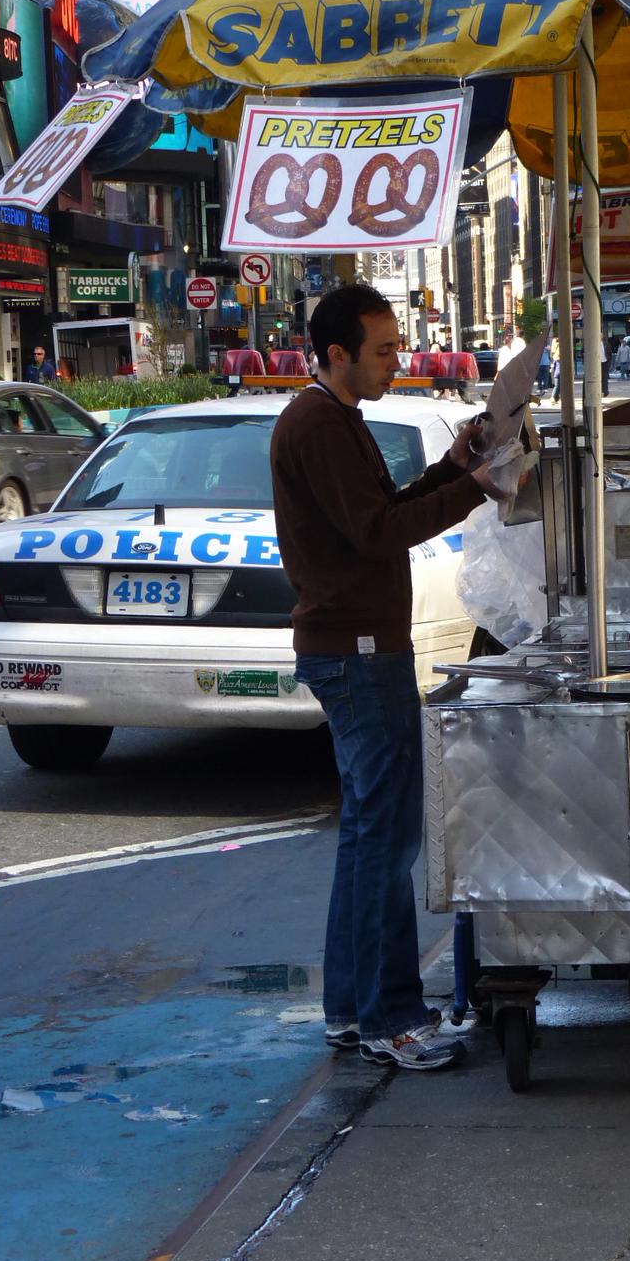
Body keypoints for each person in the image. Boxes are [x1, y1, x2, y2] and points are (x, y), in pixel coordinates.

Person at [270, 284, 503, 1070]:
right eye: (381, 349)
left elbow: (384, 509)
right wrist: (479, 487)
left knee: (369, 833)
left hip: (361, 645)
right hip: (357, 651)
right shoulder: (316, 424)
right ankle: (390, 1017)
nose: (395, 360)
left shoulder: (337, 420)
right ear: (337, 354)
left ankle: (352, 1006)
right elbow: (379, 532)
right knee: (387, 835)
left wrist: (455, 465)